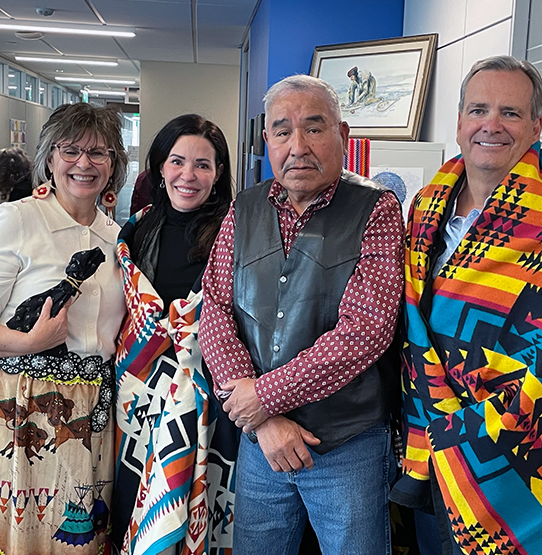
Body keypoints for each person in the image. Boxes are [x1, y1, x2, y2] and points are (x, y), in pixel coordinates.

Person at [199, 74, 404, 555]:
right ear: (266, 139)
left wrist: (262, 397)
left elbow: (366, 331)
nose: (298, 146)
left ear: (343, 134)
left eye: (314, 128)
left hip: (346, 443)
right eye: (282, 130)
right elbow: (215, 307)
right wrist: (262, 419)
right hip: (261, 445)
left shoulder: (376, 209)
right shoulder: (244, 208)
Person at [390, 55, 542, 554]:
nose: (492, 125)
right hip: (427, 440)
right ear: (459, 122)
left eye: (511, 113)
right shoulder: (424, 205)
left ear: (536, 126)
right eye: (479, 109)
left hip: (513, 449)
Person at [0, 102, 127, 554]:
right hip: (25, 406)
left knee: (82, 540)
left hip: (95, 415)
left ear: (113, 165)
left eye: (99, 153)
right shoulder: (18, 219)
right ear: (49, 158)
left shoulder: (116, 238)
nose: (84, 164)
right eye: (71, 150)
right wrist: (28, 341)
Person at [111, 114, 237, 555]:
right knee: (131, 504)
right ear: (159, 167)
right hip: (136, 403)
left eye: (203, 165)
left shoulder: (237, 231)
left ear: (219, 173)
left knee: (197, 507)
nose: (188, 175)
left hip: (208, 399)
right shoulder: (135, 230)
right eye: (177, 161)